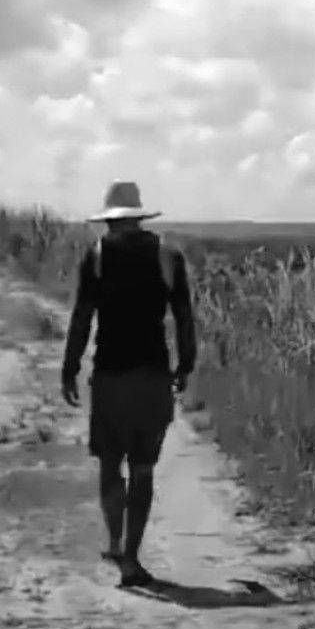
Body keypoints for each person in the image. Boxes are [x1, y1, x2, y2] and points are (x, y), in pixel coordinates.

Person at [61, 180, 197, 588]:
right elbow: (184, 317)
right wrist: (186, 364)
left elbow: (82, 316)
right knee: (142, 469)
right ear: (139, 217)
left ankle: (115, 542)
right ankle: (132, 558)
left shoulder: (97, 255)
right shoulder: (168, 255)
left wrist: (69, 367)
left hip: (110, 375)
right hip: (152, 375)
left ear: (109, 220)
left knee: (109, 463)